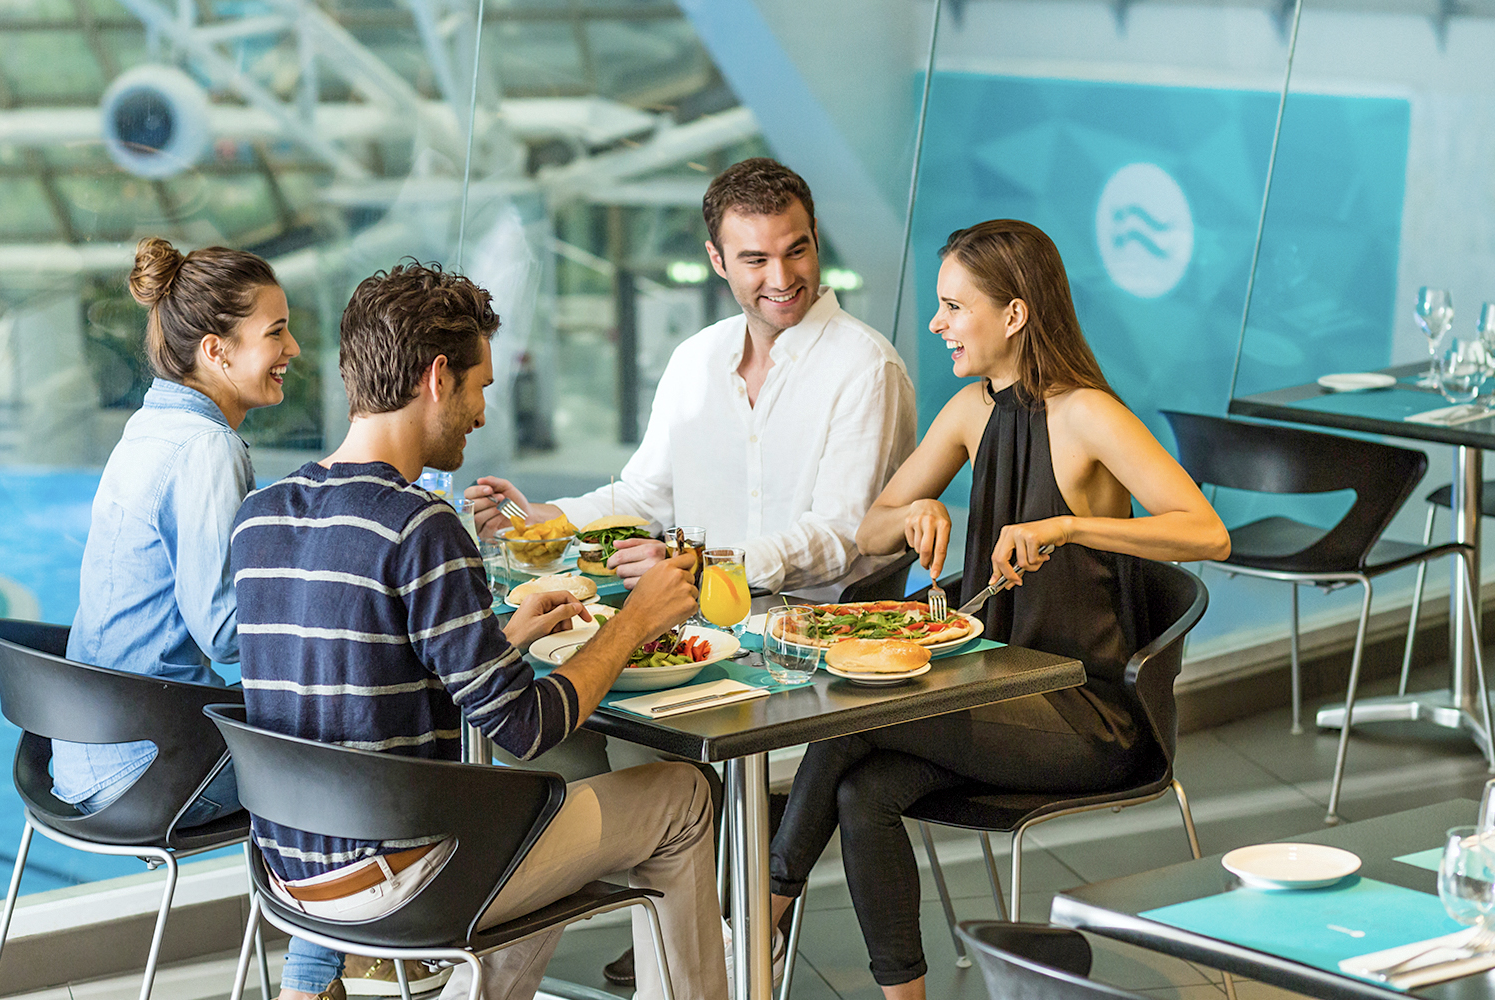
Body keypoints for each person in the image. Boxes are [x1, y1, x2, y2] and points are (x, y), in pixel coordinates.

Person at [231, 261, 725, 1000]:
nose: (484, 413)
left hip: (290, 881)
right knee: (683, 795)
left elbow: (366, 669)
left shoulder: (262, 515)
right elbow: (526, 729)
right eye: (481, 387)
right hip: (404, 881)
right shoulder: (420, 525)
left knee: (540, 800)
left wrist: (510, 638)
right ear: (438, 377)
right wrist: (636, 621)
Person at [767, 219, 1231, 1000]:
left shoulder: (1088, 415)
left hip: (1087, 716)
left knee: (850, 717)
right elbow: (873, 526)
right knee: (862, 792)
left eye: (953, 306)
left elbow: (1207, 534)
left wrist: (1072, 523)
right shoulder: (971, 411)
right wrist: (916, 517)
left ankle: (749, 922)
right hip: (992, 692)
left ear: (1013, 315)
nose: (936, 323)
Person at [466, 156, 917, 602]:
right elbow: (646, 497)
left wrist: (704, 566)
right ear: (717, 260)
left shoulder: (867, 368)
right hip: (698, 628)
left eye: (795, 251)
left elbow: (840, 535)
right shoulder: (695, 359)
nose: (781, 277)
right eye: (755, 259)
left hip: (819, 639)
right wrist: (539, 517)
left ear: (816, 237)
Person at [52, 237, 298, 827]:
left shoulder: (150, 425)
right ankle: (349, 914)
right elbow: (226, 634)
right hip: (156, 771)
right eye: (276, 332)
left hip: (84, 762)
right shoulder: (206, 446)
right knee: (375, 748)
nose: (293, 348)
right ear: (216, 351)